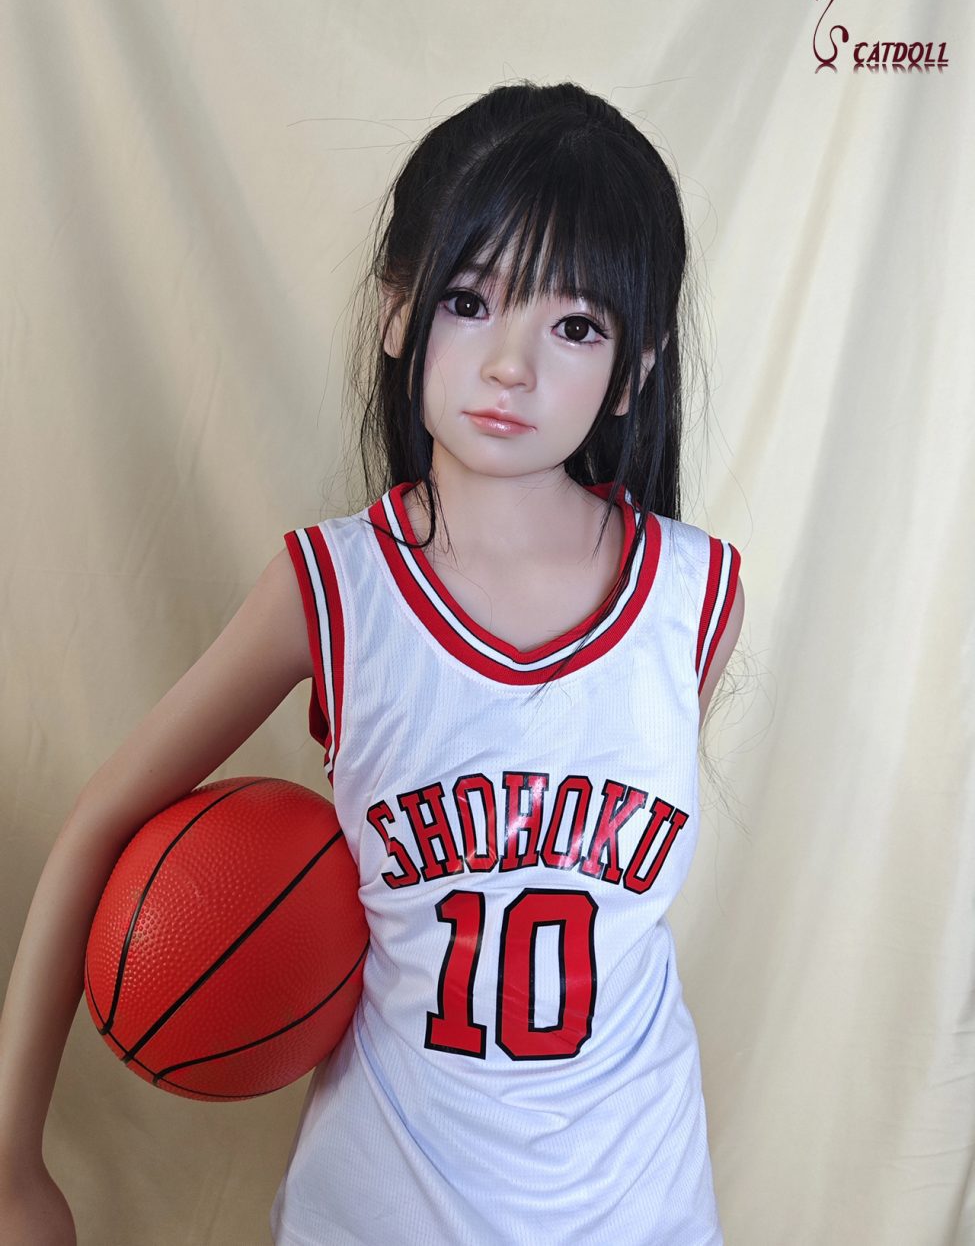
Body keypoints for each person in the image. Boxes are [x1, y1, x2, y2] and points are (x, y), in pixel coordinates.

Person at [0, 79, 744, 1246]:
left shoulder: (697, 596)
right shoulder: (332, 591)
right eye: (471, 300)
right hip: (385, 1205)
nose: (512, 364)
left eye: (575, 326)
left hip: (638, 1203)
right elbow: (102, 823)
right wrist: (12, 1164)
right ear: (399, 310)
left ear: (638, 362)